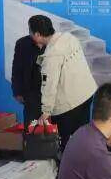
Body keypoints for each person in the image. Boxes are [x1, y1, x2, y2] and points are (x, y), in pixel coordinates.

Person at [33, 16, 97, 153]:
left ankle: (67, 164)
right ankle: (84, 161)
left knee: (66, 143)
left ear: (37, 34)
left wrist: (46, 112)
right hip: (86, 94)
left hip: (69, 105)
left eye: (31, 33)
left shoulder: (51, 55)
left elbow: (49, 86)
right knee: (82, 136)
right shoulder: (68, 37)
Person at [11, 15, 47, 130]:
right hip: (31, 94)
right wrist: (17, 91)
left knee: (52, 131)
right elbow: (16, 69)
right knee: (32, 129)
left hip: (51, 93)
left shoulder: (53, 44)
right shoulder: (22, 44)